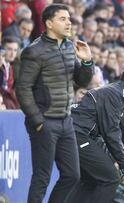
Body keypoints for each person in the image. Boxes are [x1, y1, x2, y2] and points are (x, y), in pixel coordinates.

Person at [16, 4, 94, 203]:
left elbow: (82, 81)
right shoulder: (34, 51)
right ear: (49, 23)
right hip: (45, 122)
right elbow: (22, 88)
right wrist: (37, 120)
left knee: (72, 175)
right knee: (42, 177)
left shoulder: (68, 46)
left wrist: (86, 62)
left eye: (69, 18)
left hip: (66, 121)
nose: (69, 23)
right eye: (63, 19)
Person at [70, 67, 124, 203]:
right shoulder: (116, 94)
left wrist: (115, 159)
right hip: (77, 134)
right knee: (111, 178)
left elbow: (104, 132)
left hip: (76, 134)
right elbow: (111, 132)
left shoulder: (116, 92)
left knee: (90, 180)